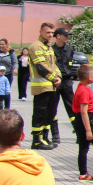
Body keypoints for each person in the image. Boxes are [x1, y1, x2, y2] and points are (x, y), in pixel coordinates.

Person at [28, 22, 62, 151]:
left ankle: (45, 137)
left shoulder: (48, 47)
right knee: (40, 113)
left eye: (52, 33)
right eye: (48, 32)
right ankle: (37, 140)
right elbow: (41, 67)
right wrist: (54, 78)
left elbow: (54, 65)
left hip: (51, 86)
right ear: (41, 31)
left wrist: (59, 76)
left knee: (49, 113)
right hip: (42, 86)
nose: (50, 35)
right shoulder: (36, 47)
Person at [50, 27, 78, 145]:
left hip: (67, 82)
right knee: (52, 109)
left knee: (72, 108)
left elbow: (70, 64)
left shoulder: (69, 49)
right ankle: (55, 135)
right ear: (58, 36)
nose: (67, 37)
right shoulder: (51, 50)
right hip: (55, 82)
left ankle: (78, 132)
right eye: (65, 35)